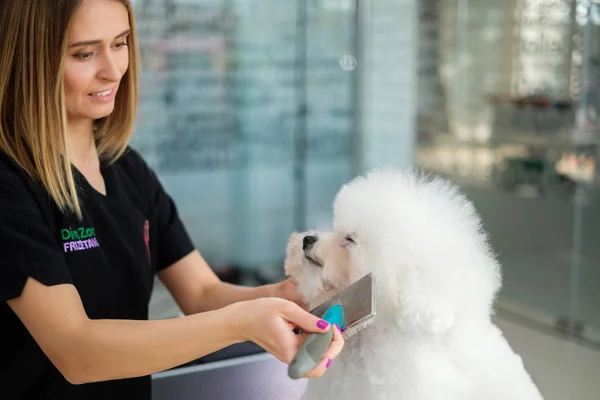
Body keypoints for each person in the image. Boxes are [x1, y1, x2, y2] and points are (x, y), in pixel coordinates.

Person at [0, 1, 344, 399]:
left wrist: (282, 296)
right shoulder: (11, 187)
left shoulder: (127, 169)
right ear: (31, 60)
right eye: (84, 53)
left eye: (120, 43)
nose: (113, 70)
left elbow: (201, 295)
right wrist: (241, 323)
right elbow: (76, 350)